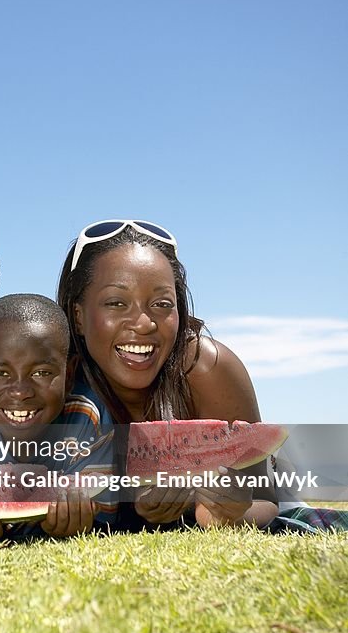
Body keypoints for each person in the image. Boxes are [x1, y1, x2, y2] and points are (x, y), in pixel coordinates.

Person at [57, 219, 279, 529]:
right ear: (78, 316)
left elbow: (266, 500)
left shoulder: (208, 368)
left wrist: (230, 511)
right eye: (116, 303)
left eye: (162, 303)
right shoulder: (52, 385)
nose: (144, 322)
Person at [0, 294, 115, 545]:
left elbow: (104, 522)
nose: (20, 391)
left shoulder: (89, 416)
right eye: (0, 373)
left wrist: (82, 524)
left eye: (41, 373)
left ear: (69, 376)